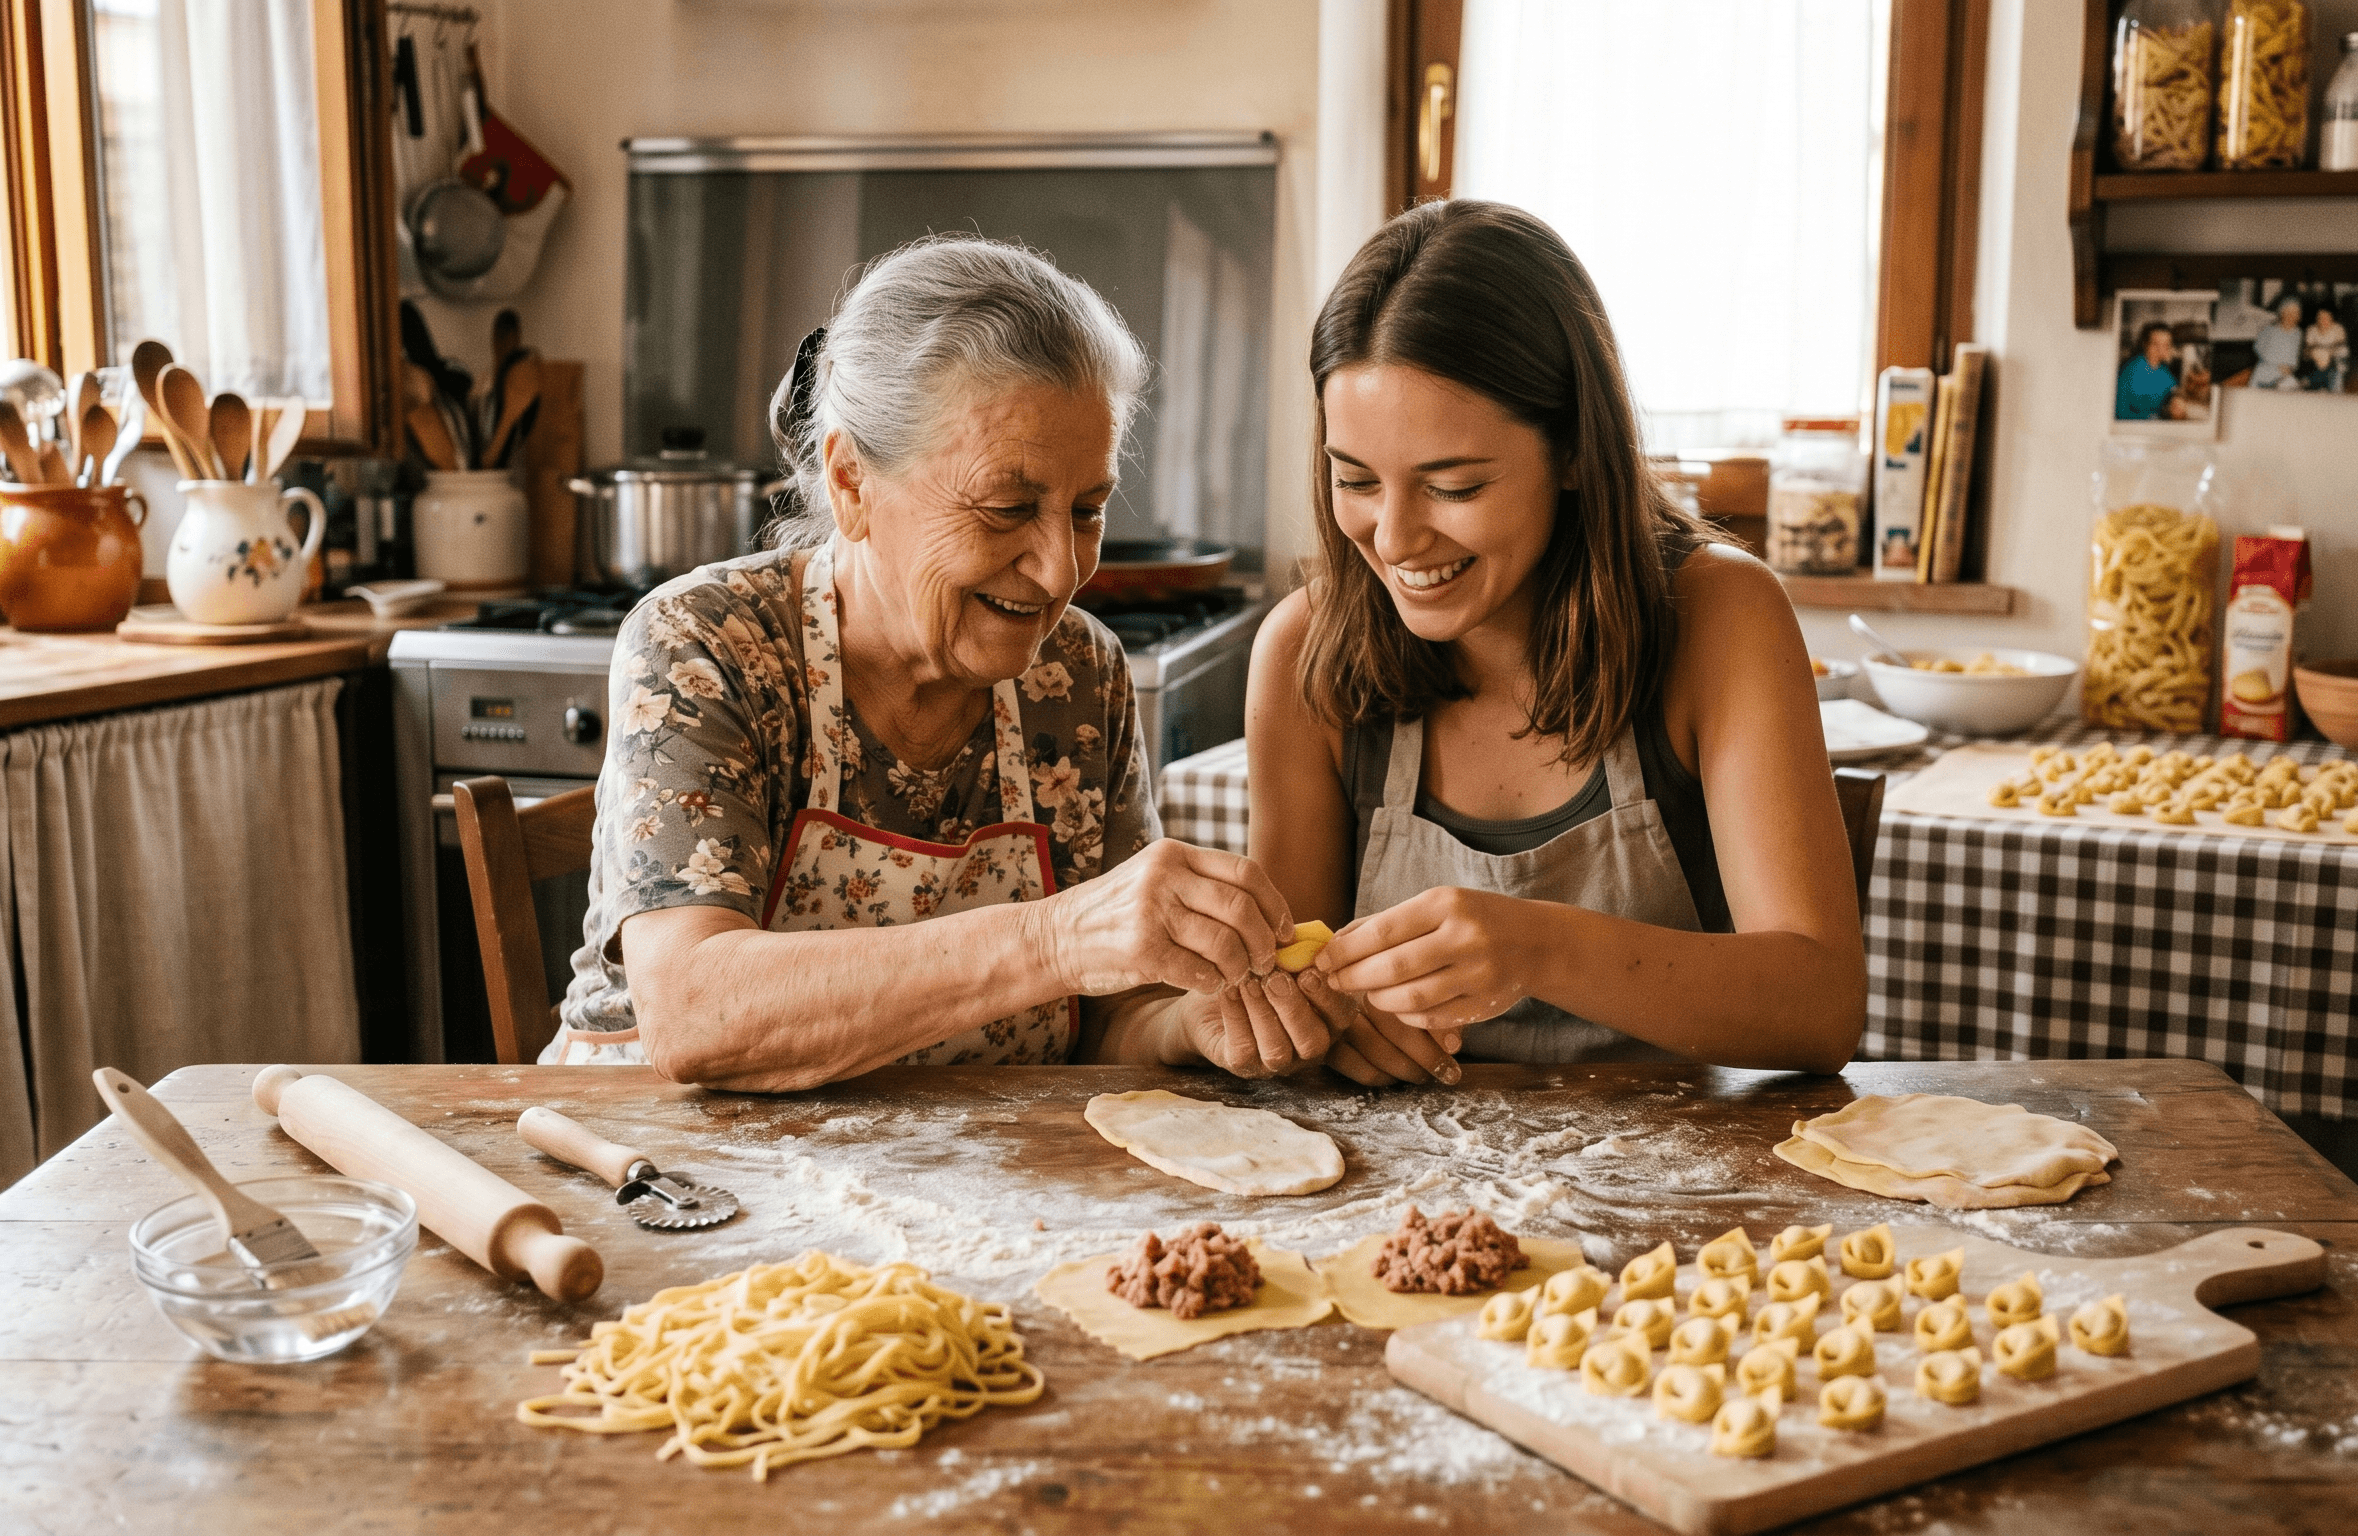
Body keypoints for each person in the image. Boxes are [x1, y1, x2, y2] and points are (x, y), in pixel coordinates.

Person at [551, 237, 1335, 1087]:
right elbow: (695, 1015)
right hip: (662, 1174)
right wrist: (1054, 937)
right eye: (1007, 508)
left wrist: (1187, 1024)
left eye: (1087, 509)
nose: (1060, 571)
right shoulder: (709, 646)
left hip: (976, 1189)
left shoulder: (1076, 677)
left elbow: (1105, 1018)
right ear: (851, 482)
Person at [1244, 200, 1865, 1081]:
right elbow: (1293, 997)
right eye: (1356, 480)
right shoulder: (1305, 649)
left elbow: (1819, 1009)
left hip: (1678, 1189)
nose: (1394, 538)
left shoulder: (1722, 617)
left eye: (1453, 487)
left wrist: (1539, 948)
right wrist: (1327, 1023)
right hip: (1399, 1192)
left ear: (1574, 449)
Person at [2116, 322, 2181, 420]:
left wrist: (2177, 398)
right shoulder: (2130, 369)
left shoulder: (2164, 370)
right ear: (2145, 344)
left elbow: (2175, 390)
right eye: (2155, 344)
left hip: (2155, 425)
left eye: (2166, 344)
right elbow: (2120, 412)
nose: (2160, 349)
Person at [2249, 296, 2305, 389]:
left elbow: (2296, 357)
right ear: (2282, 314)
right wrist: (2277, 366)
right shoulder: (2269, 330)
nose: (2291, 316)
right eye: (2288, 313)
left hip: (2285, 374)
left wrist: (2290, 368)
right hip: (2266, 370)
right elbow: (2258, 348)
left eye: (2295, 314)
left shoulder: (2298, 334)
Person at [2297, 299, 2349, 392]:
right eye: (2320, 317)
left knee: (2340, 356)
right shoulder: (2311, 329)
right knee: (2313, 357)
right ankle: (2316, 384)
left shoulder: (2338, 328)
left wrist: (2326, 352)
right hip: (2315, 360)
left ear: (2331, 317)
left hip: (2332, 359)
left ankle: (2330, 387)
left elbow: (2341, 346)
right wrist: (2318, 353)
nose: (2323, 320)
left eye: (2326, 317)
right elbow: (2308, 348)